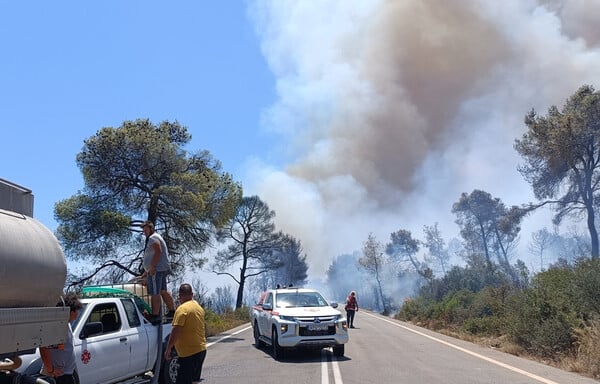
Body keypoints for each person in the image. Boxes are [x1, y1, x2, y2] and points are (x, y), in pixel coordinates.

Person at [164, 283, 207, 384]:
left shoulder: (182, 309)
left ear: (179, 296)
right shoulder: (198, 308)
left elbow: (175, 330)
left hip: (188, 353)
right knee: (194, 380)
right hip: (201, 349)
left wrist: (168, 348)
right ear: (192, 294)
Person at [40, 292, 83, 384]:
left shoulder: (66, 324)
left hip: (68, 372)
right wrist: (50, 370)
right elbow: (44, 348)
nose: (78, 313)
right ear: (70, 312)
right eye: (76, 310)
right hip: (59, 376)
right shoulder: (55, 328)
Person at [141, 220, 175, 323]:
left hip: (156, 269)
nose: (144, 232)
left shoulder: (153, 238)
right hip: (160, 268)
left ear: (151, 229)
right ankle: (172, 311)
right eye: (143, 231)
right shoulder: (156, 237)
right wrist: (146, 271)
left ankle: (155, 316)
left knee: (154, 292)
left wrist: (151, 267)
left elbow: (158, 251)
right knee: (163, 290)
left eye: (146, 230)